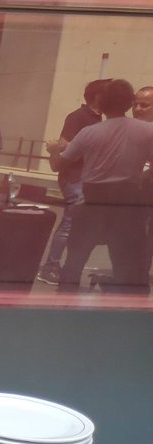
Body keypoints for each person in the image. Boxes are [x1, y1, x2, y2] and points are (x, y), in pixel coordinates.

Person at [48, 79, 153, 293]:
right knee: (128, 263)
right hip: (127, 203)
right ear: (129, 103)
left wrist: (53, 150)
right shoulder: (147, 131)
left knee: (75, 260)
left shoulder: (90, 132)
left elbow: (58, 165)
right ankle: (129, 311)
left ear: (102, 104)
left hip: (93, 201)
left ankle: (63, 305)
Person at [38, 79, 109, 285]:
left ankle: (62, 266)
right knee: (69, 222)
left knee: (76, 223)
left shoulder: (98, 119)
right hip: (74, 177)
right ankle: (50, 266)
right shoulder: (78, 117)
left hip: (86, 178)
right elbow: (64, 146)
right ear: (97, 96)